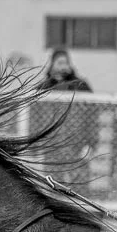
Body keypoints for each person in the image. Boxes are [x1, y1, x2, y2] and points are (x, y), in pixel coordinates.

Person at [39, 48, 94, 187]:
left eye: (66, 62)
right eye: (59, 62)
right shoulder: (43, 87)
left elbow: (92, 115)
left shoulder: (80, 85)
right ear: (52, 64)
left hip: (76, 145)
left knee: (80, 185)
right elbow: (36, 118)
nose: (63, 66)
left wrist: (91, 143)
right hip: (52, 146)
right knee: (52, 186)